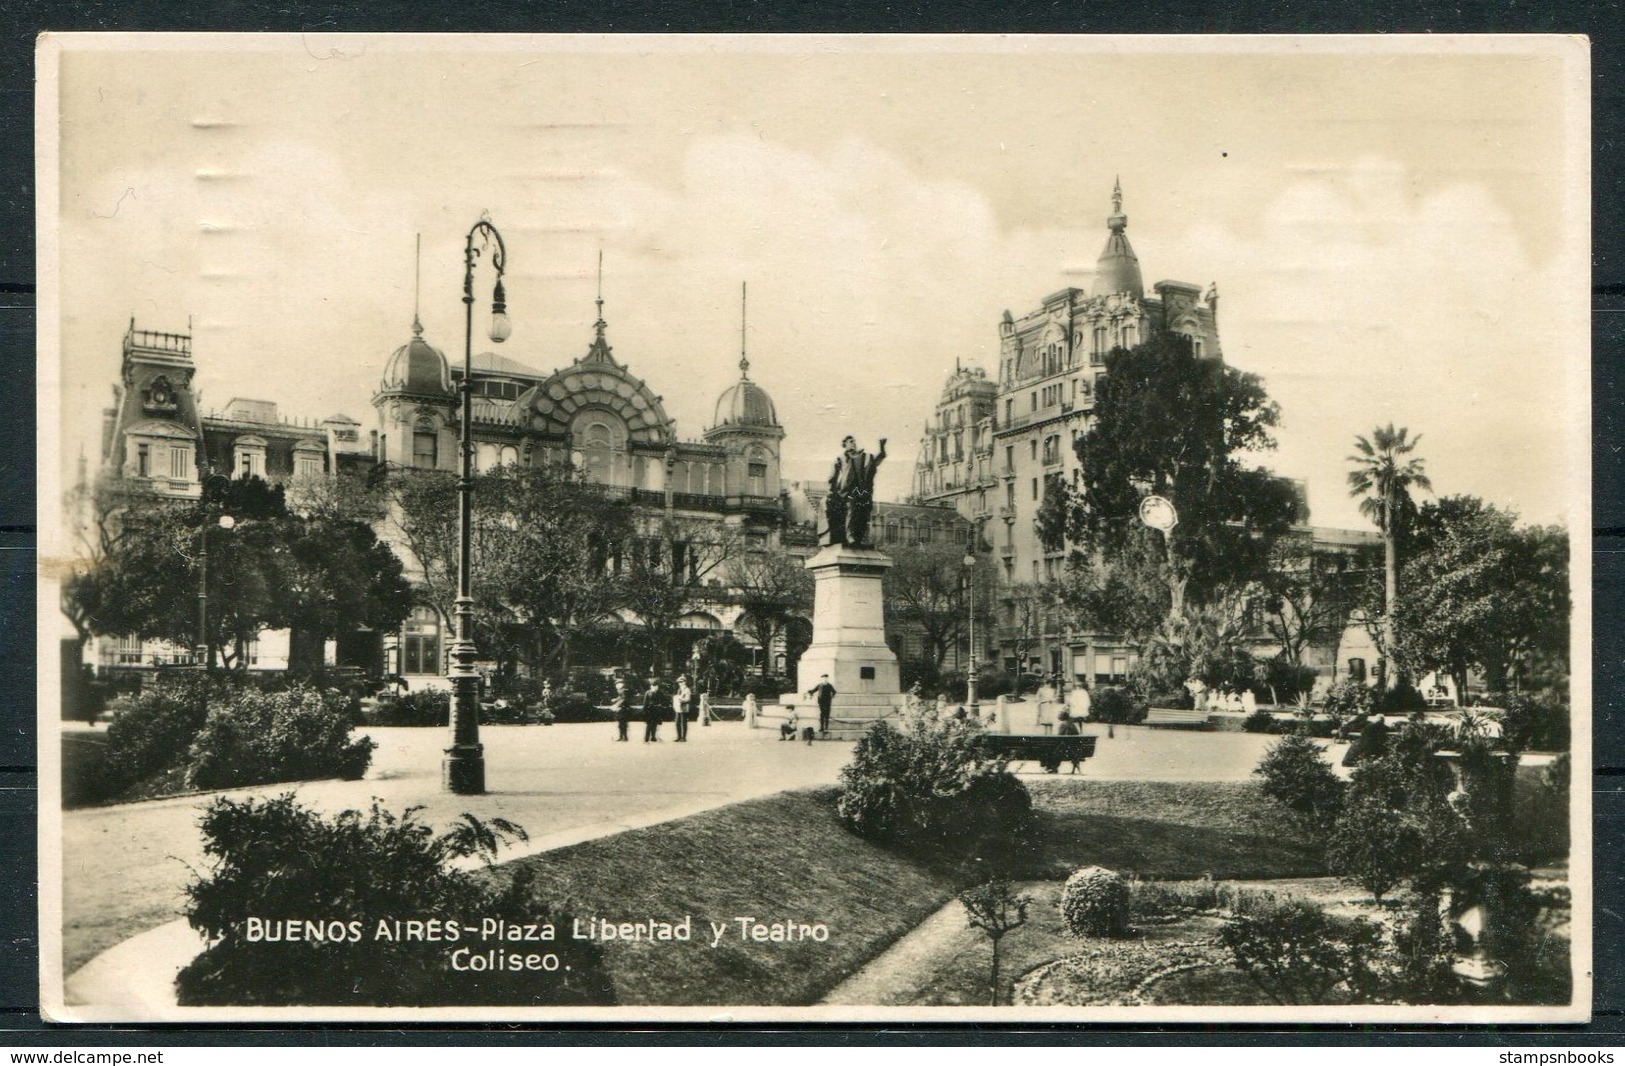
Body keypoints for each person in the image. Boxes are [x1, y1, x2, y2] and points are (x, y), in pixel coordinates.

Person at [826, 435, 887, 546]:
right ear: (845, 444)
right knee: (852, 509)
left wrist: (882, 447)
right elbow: (833, 475)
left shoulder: (864, 456)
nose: (853, 443)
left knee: (864, 513)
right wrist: (831, 489)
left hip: (863, 490)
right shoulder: (841, 458)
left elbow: (878, 459)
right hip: (849, 490)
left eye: (854, 441)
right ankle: (850, 536)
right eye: (850, 441)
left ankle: (860, 538)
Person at [641, 678, 664, 743]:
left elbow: (663, 701)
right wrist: (645, 711)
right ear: (651, 686)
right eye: (653, 686)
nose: (655, 687)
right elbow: (645, 703)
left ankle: (653, 737)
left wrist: (661, 706)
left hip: (656, 711)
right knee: (649, 725)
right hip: (649, 711)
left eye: (656, 686)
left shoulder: (659, 693)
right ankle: (646, 738)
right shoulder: (648, 693)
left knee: (655, 725)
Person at [673, 675, 692, 742]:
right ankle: (678, 736)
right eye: (679, 682)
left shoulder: (687, 690)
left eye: (681, 682)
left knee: (683, 722)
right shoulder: (679, 690)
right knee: (677, 722)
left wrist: (681, 700)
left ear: (685, 682)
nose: (680, 683)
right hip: (678, 708)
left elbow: (688, 699)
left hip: (684, 708)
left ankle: (683, 737)